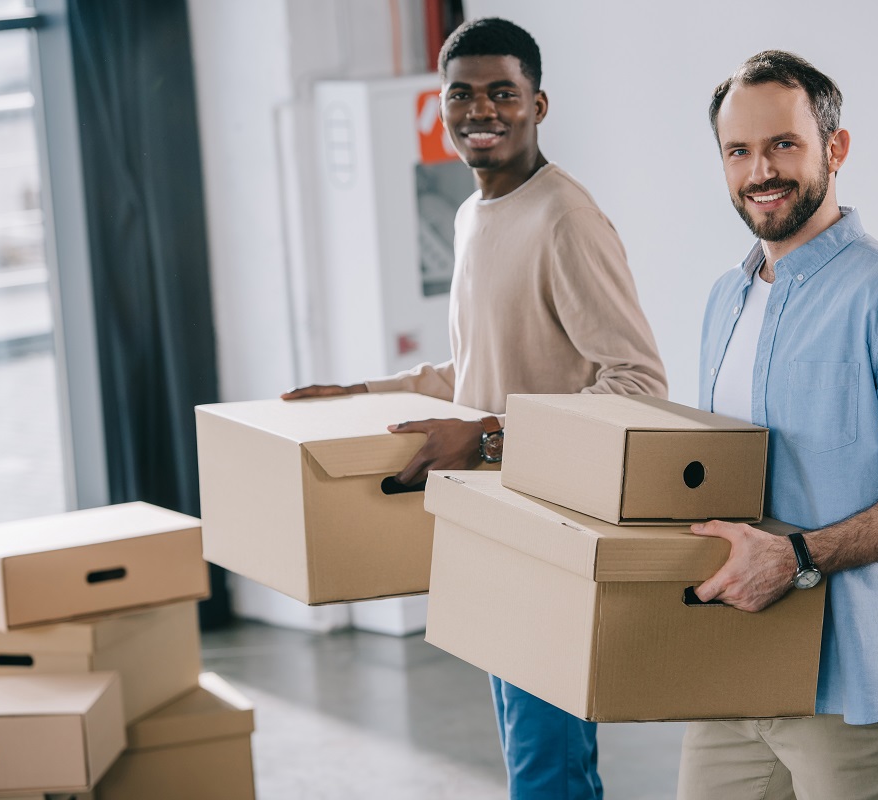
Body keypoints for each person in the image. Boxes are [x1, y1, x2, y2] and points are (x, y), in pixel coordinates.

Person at [283, 18, 666, 800]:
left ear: (538, 104)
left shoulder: (566, 219)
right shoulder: (473, 215)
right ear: (441, 103)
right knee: (533, 757)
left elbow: (637, 385)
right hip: (494, 521)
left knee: (548, 769)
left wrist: (487, 436)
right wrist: (361, 393)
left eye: (502, 93)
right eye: (462, 94)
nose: (480, 110)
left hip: (552, 526)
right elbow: (481, 366)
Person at [679, 50, 878, 800]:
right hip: (736, 665)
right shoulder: (727, 297)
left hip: (856, 679)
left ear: (835, 148)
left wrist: (797, 556)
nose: (762, 171)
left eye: (784, 144)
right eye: (739, 151)